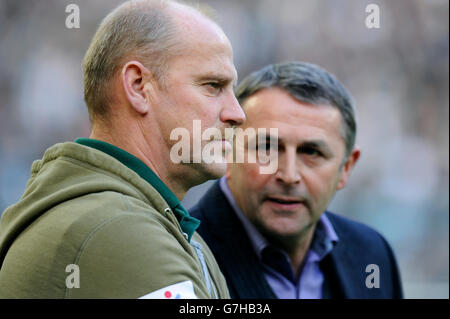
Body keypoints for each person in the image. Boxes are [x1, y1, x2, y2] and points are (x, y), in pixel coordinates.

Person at [0, 0, 245, 298]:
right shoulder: (121, 230)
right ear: (139, 86)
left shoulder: (142, 220)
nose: (236, 113)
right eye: (213, 85)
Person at [190, 62, 403, 299]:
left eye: (311, 152)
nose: (289, 175)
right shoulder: (181, 254)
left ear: (346, 167)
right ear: (228, 152)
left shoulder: (371, 253)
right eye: (267, 148)